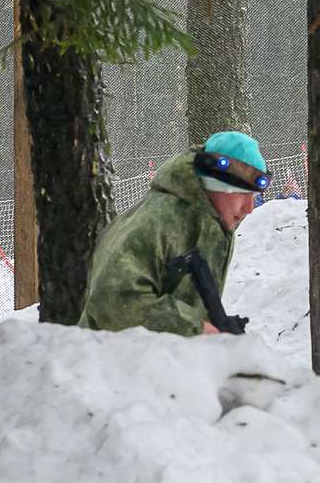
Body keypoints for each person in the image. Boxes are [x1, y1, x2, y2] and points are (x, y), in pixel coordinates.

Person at [78, 130, 267, 336]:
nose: (250, 208)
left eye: (255, 196)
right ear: (215, 186)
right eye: (242, 194)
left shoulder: (210, 221)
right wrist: (193, 326)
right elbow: (112, 302)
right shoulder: (156, 223)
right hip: (110, 361)